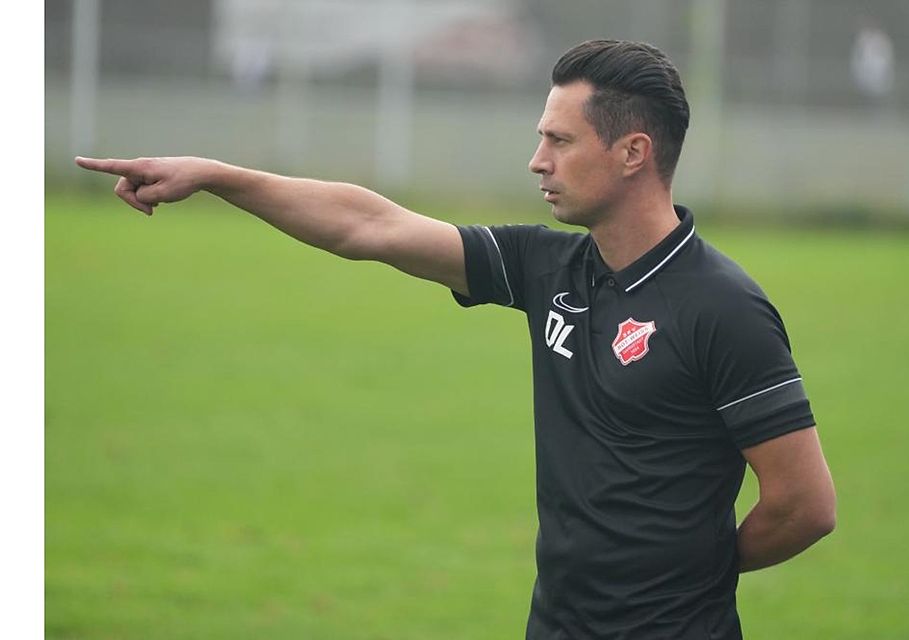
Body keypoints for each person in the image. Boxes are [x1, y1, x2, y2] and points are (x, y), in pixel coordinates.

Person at [76, 39, 836, 640]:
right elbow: (368, 226)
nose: (537, 159)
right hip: (557, 624)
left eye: (559, 140)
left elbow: (804, 503)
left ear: (633, 153)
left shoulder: (723, 307)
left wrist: (687, 573)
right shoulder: (552, 267)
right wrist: (216, 175)